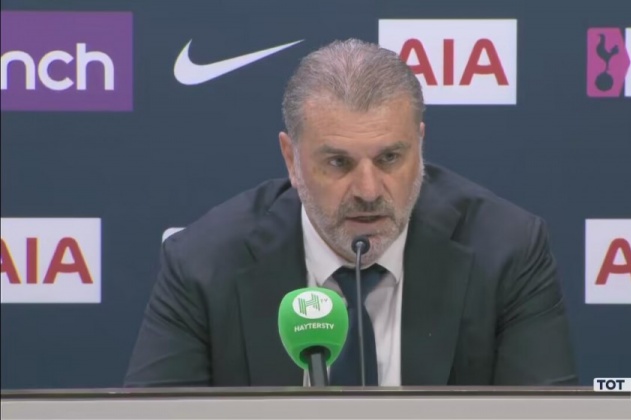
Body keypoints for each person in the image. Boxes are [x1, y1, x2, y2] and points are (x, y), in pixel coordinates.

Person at [124, 38, 577, 387]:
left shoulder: (507, 251)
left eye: (390, 158)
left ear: (420, 147)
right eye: (338, 163)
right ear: (291, 159)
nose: (367, 190)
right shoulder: (203, 266)